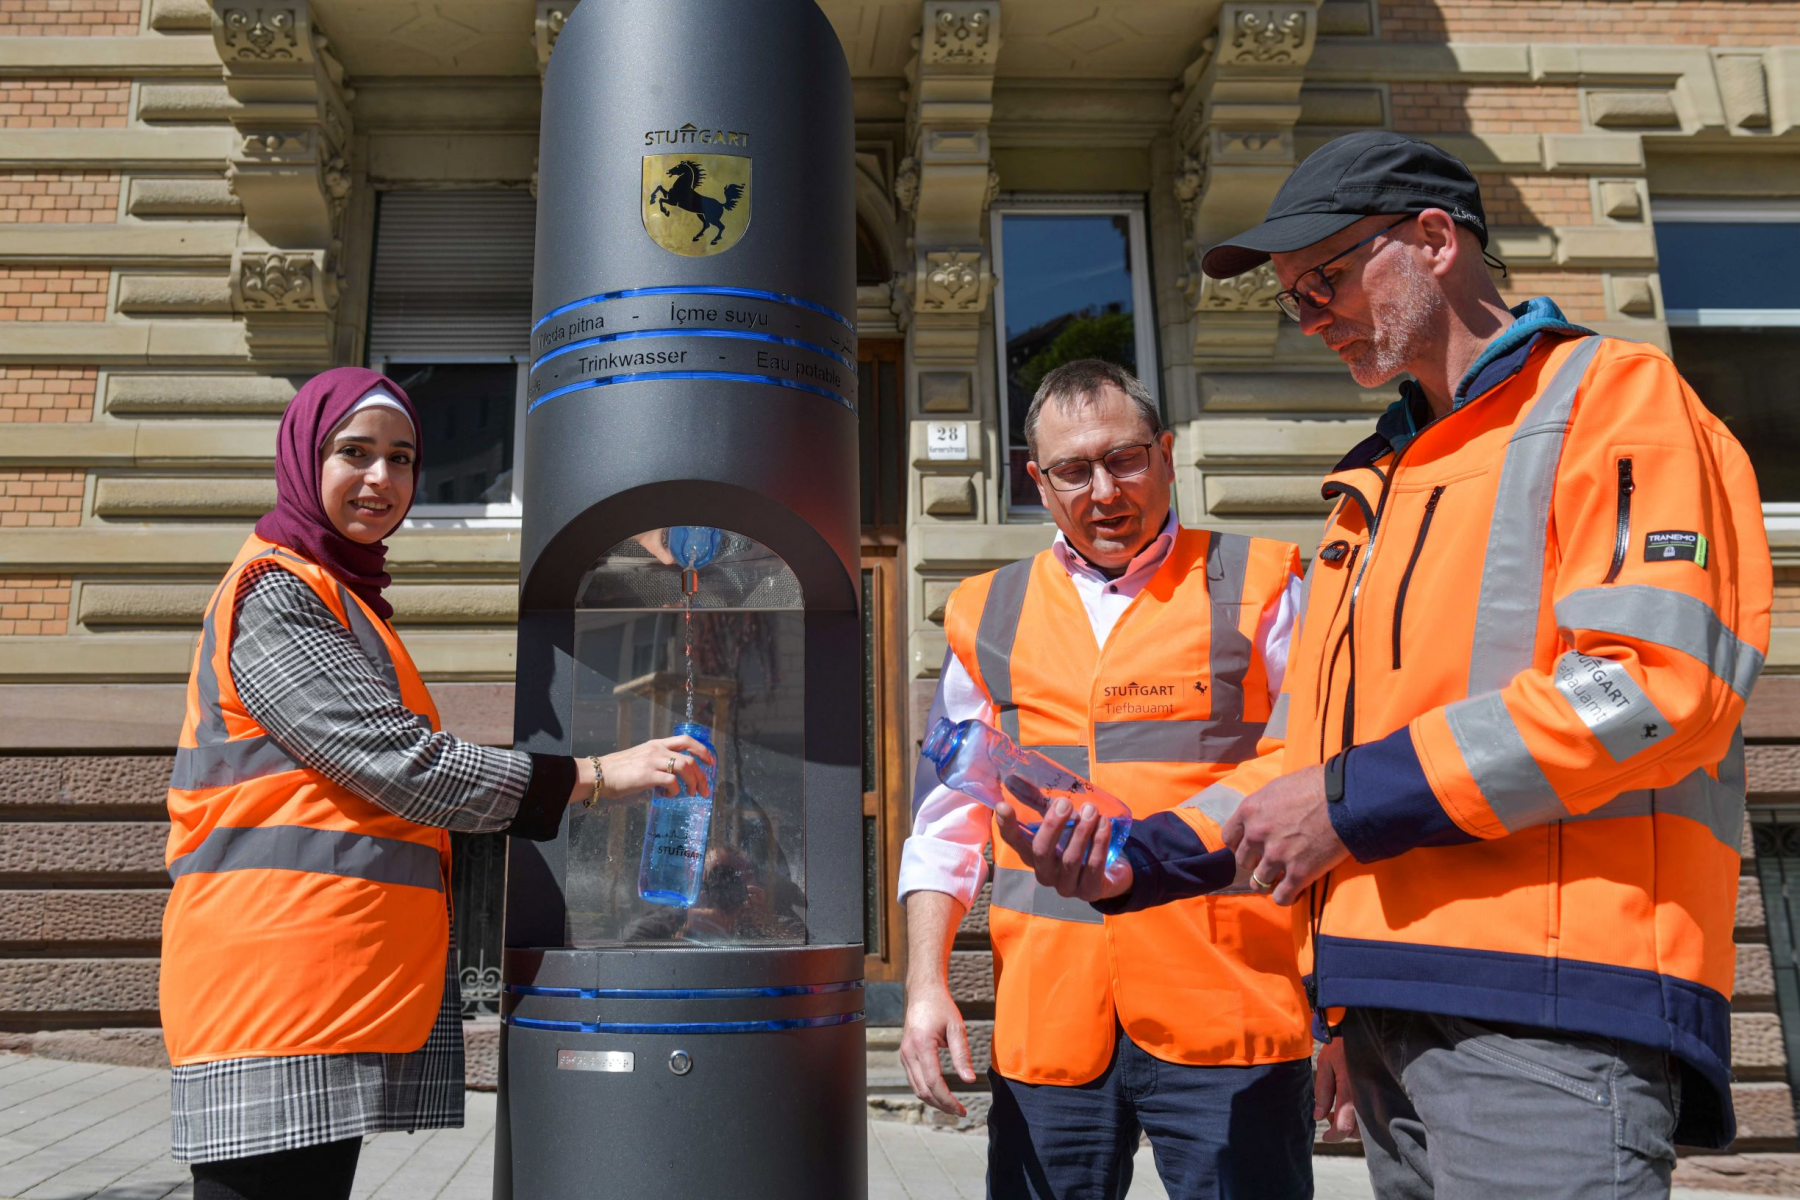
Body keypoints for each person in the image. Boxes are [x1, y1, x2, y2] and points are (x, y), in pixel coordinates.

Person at [1002, 132, 1773, 1199]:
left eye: (1324, 277)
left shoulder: (1614, 401)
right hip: (1389, 1011)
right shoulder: (1378, 487)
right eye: (1292, 297)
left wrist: (1348, 802)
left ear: (1434, 240)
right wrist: (1144, 859)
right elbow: (1305, 761)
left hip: (1548, 1008)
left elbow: (1651, 684)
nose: (1310, 313)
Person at [160, 367, 715, 1200]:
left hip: (319, 982)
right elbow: (400, 765)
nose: (381, 479)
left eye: (403, 458)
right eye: (355, 453)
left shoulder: (342, 593)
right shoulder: (278, 591)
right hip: (273, 984)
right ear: (305, 459)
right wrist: (596, 775)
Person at [899, 358, 1319, 1199]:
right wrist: (924, 985)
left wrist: (1339, 1017)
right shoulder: (987, 610)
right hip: (1051, 1023)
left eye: (1125, 459)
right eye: (1073, 471)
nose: (1103, 492)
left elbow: (1320, 789)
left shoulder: (1263, 583)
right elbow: (947, 820)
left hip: (1232, 1012)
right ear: (1038, 483)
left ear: (1165, 455)